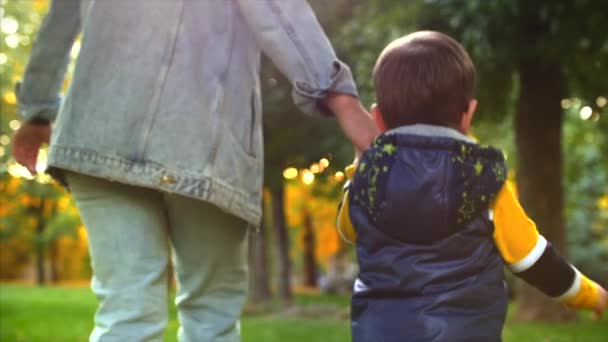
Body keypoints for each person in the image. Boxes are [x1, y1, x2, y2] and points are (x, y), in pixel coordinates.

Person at [11, 0, 378, 341]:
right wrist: (338, 96)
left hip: (103, 127)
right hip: (205, 141)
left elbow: (60, 18)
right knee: (211, 317)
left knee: (127, 313)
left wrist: (38, 108)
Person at [336, 31, 607, 342]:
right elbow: (532, 258)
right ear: (468, 114)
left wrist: (361, 163)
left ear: (378, 119)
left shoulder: (368, 180)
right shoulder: (482, 181)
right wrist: (587, 294)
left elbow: (348, 229)